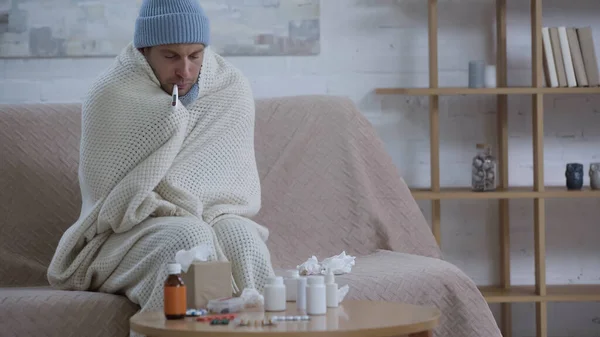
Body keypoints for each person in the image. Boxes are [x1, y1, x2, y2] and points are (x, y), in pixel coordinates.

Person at [46, 0, 276, 323]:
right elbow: (110, 204)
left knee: (243, 240)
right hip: (126, 233)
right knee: (189, 240)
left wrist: (196, 212)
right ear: (144, 51)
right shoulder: (110, 94)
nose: (185, 70)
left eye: (195, 56)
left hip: (212, 215)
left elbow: (231, 189)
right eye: (170, 56)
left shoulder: (228, 88)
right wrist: (171, 117)